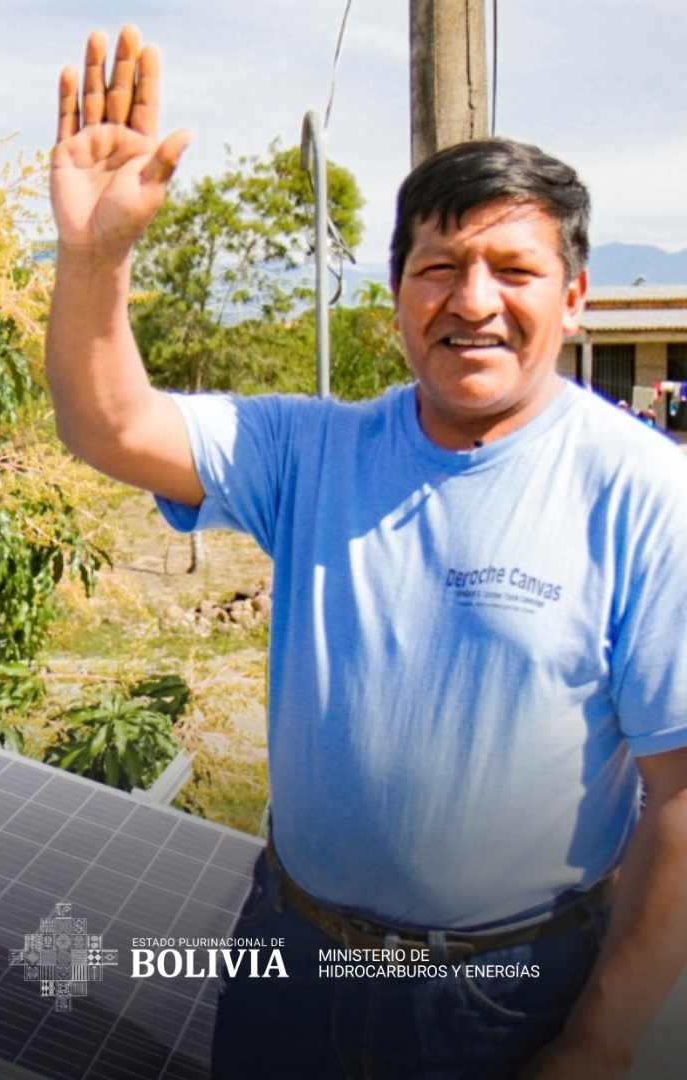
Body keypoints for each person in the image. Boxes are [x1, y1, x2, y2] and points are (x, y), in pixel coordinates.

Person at [46, 25, 687, 1080]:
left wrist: (602, 1042)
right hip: (290, 959)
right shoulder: (312, 451)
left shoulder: (641, 492)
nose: (472, 301)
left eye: (513, 269)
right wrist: (96, 254)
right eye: (440, 267)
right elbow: (108, 425)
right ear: (397, 299)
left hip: (500, 996)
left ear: (573, 299)